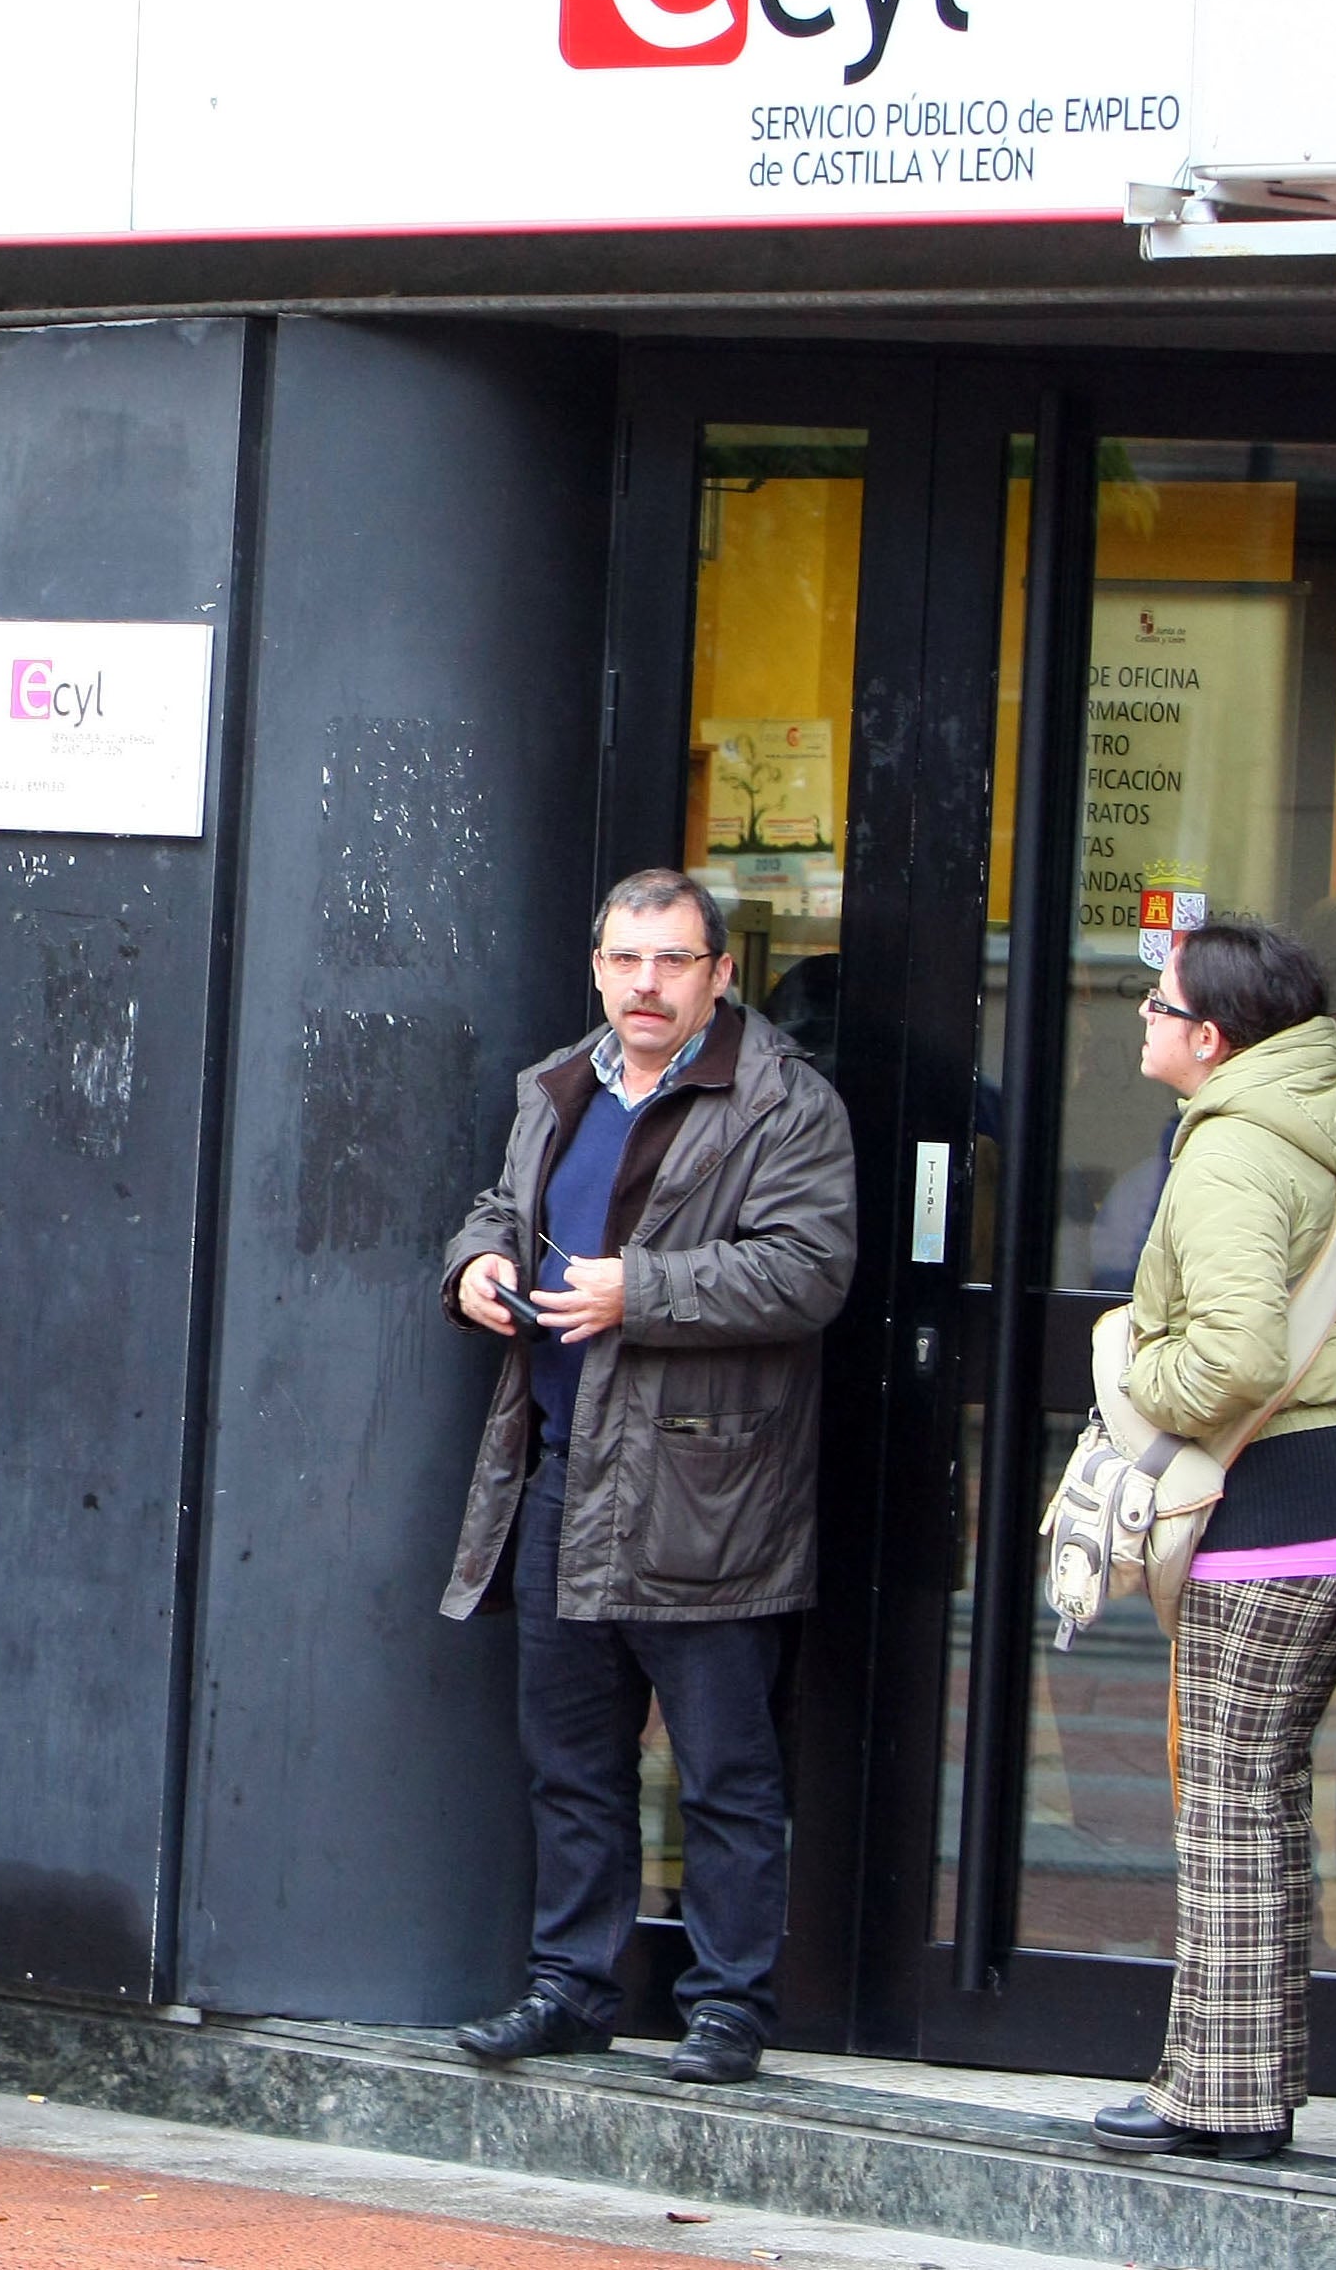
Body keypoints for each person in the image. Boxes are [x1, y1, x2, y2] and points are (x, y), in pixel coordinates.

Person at [437, 867, 856, 2085]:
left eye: (674, 962)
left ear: (722, 972)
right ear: (599, 966)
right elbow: (496, 1209)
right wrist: (473, 1267)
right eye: (627, 961)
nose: (647, 985)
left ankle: (728, 2005)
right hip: (560, 1471)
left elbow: (809, 1269)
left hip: (706, 1489)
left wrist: (643, 1289)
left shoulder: (786, 1102)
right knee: (570, 1759)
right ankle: (572, 1987)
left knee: (724, 1767)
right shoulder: (559, 1085)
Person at [1088, 917, 1336, 2163]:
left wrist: (1130, 1359)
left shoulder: (1228, 1156)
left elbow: (1235, 1358)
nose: (1143, 1022)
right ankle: (1244, 2086)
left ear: (1210, 1040)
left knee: (1226, 1803)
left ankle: (1221, 2100)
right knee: (1261, 1797)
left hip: (1269, 1512)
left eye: (1158, 1006)